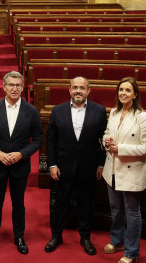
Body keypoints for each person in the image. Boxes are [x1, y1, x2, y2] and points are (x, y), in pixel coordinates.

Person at [0, 71, 43, 255]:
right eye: (11, 85)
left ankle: (19, 237)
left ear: (23, 88)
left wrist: (22, 154)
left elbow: (38, 139)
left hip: (19, 165)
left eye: (18, 85)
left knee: (18, 204)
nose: (14, 88)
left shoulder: (31, 111)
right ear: (4, 87)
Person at [44, 76, 107, 255]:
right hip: (63, 166)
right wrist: (52, 164)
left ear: (88, 91)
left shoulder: (100, 111)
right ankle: (56, 236)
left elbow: (103, 141)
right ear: (69, 90)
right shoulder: (57, 111)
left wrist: (101, 164)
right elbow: (51, 140)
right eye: (75, 87)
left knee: (86, 203)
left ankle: (85, 237)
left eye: (82, 88)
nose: (78, 90)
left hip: (89, 166)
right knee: (61, 202)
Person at [101, 77, 146, 263]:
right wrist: (106, 142)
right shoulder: (114, 113)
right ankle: (117, 241)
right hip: (112, 170)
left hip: (132, 171)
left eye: (127, 90)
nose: (123, 93)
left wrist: (121, 149)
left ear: (135, 94)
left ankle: (131, 252)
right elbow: (107, 134)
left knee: (132, 212)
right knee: (115, 209)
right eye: (121, 89)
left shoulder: (143, 116)